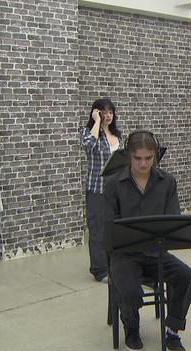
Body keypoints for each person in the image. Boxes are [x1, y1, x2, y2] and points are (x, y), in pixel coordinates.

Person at [103, 130, 191, 351]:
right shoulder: (114, 184)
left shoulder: (167, 182)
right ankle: (132, 329)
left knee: (186, 276)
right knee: (130, 291)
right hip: (125, 254)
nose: (143, 163)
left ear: (155, 155)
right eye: (138, 158)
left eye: (148, 158)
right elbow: (109, 227)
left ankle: (173, 330)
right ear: (128, 156)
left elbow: (173, 219)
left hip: (157, 252)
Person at [79, 98, 123, 283]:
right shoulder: (89, 133)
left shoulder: (118, 135)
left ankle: (114, 265)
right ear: (96, 113)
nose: (108, 115)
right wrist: (96, 122)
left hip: (116, 188)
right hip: (97, 189)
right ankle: (99, 269)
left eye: (110, 112)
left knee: (114, 228)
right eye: (104, 112)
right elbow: (88, 145)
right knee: (97, 229)